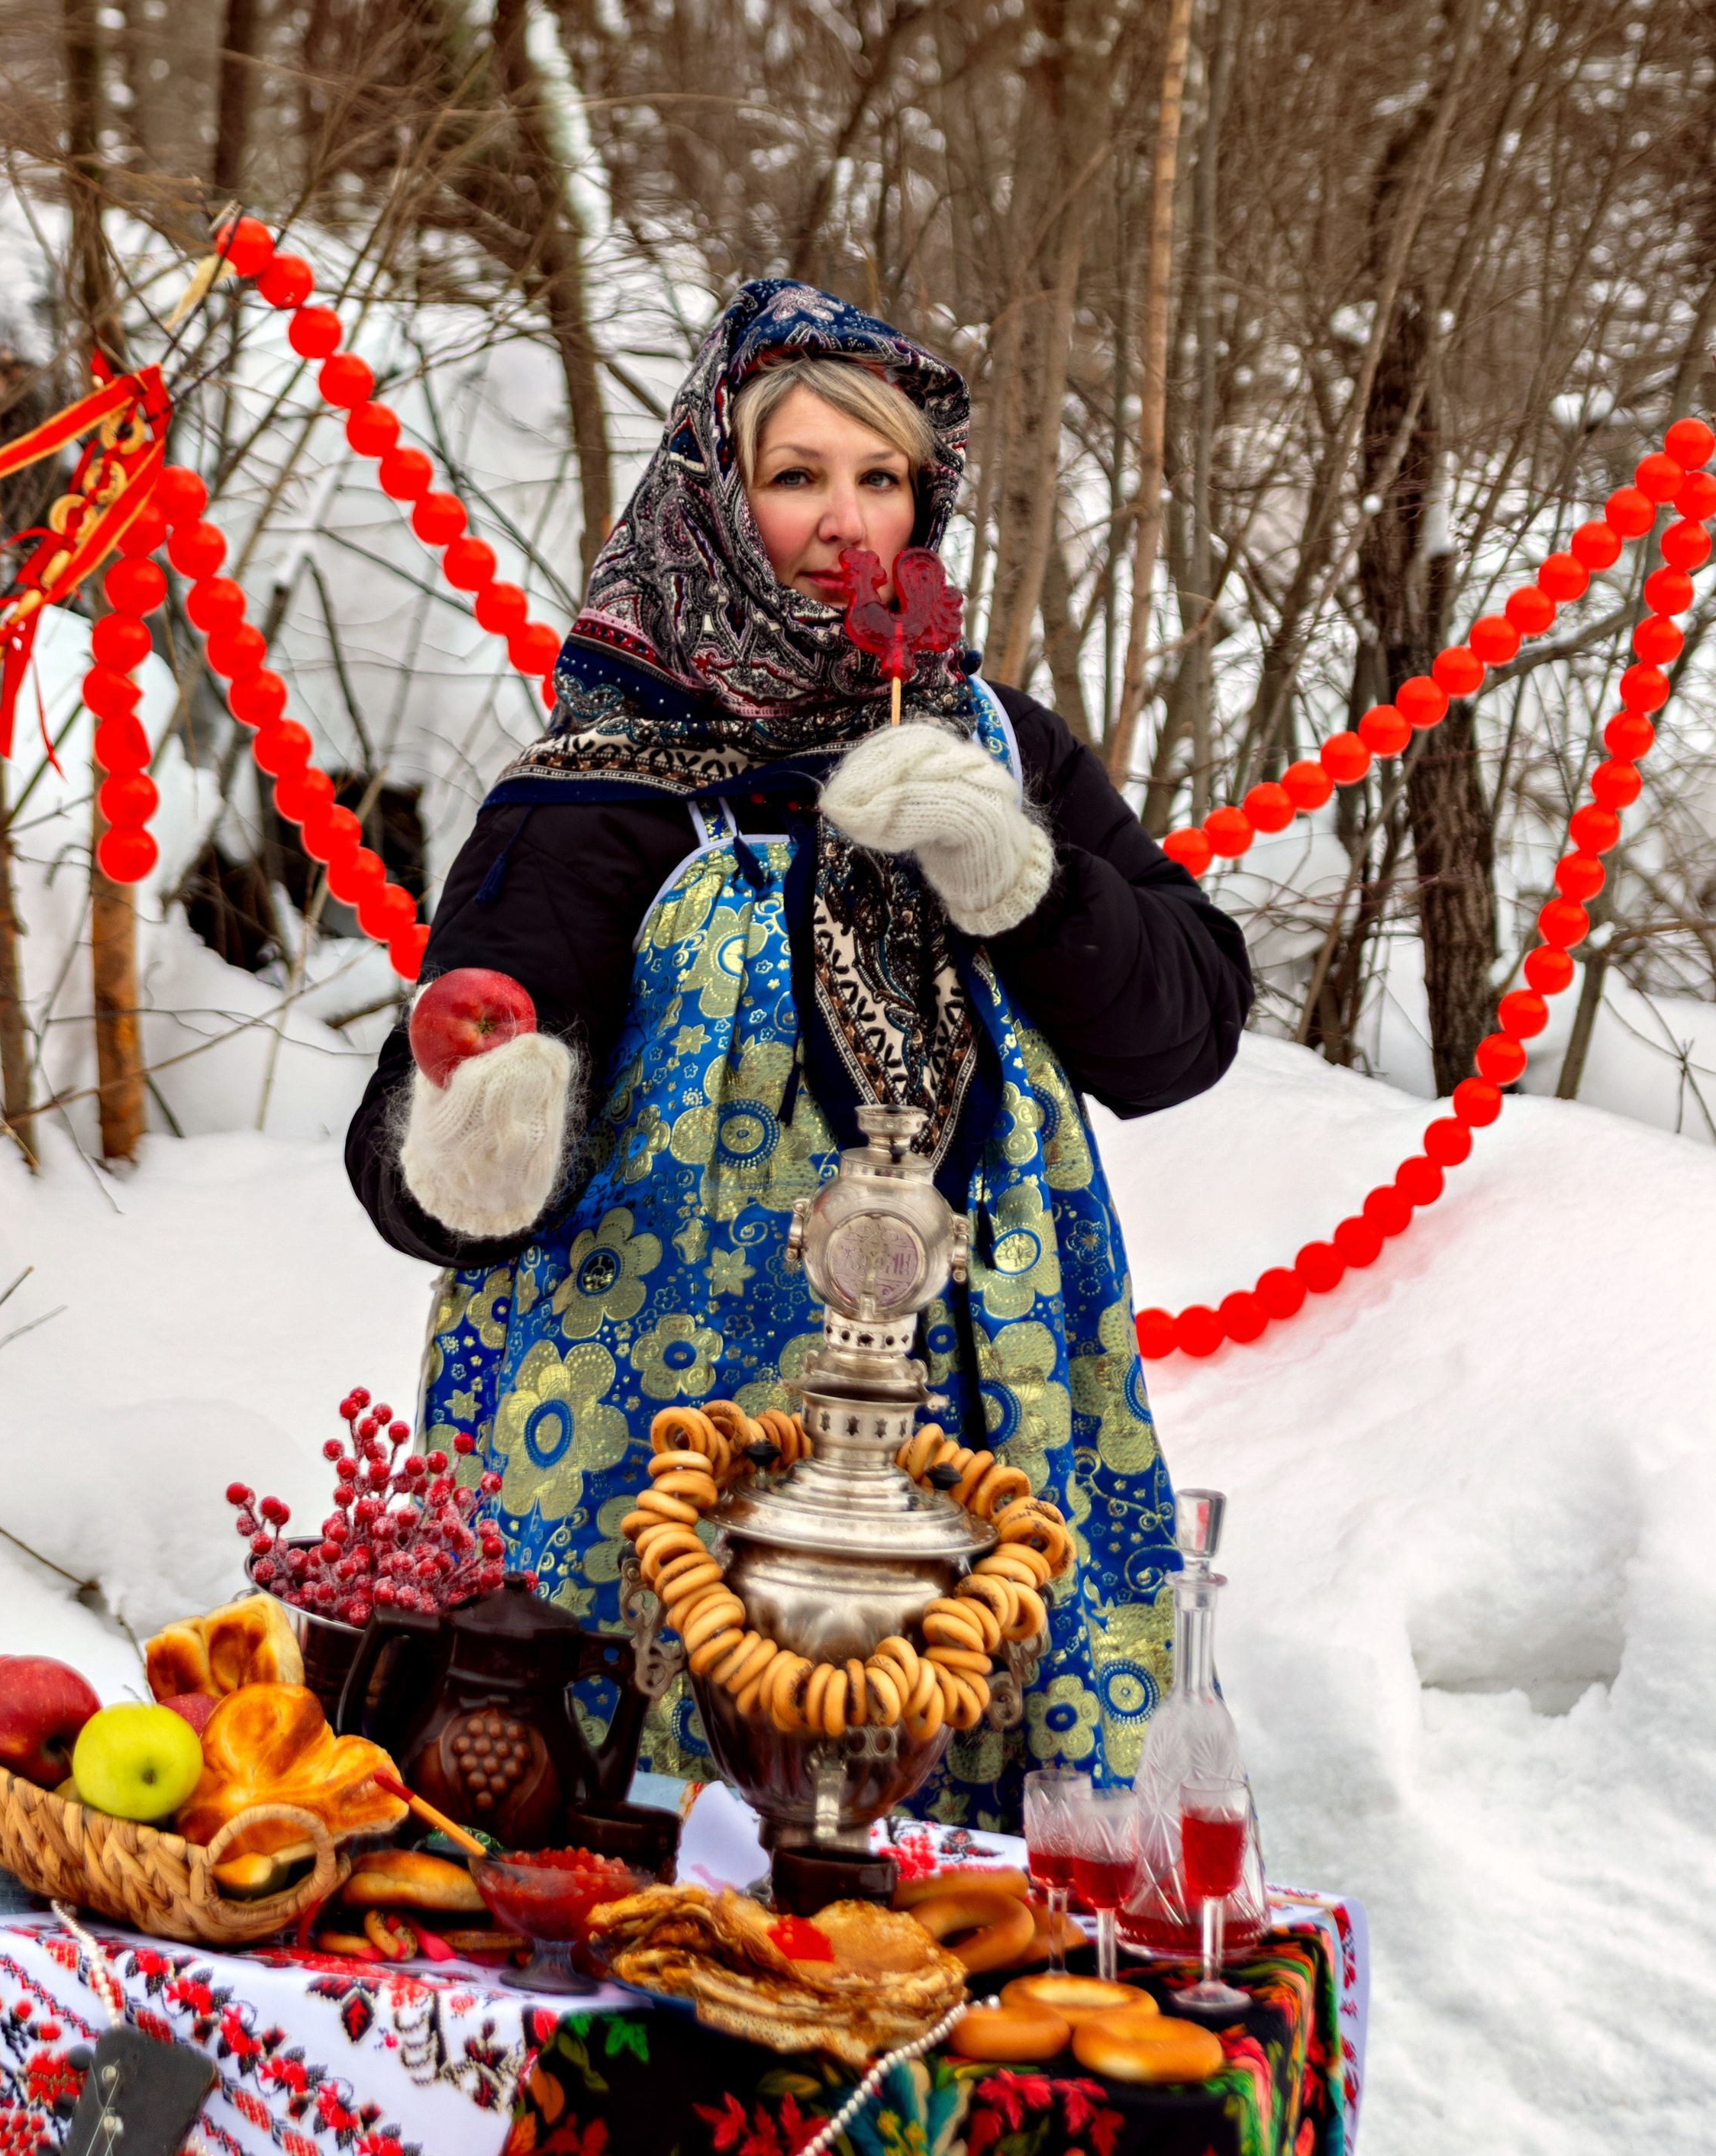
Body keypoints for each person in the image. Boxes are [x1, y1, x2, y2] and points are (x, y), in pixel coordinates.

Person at [345, 277, 1251, 1825]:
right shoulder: (594, 788)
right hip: (651, 1461)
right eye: (796, 478)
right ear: (714, 498)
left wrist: (1018, 881)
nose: (846, 525)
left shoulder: (1006, 746)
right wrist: (481, 1131)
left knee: (960, 1889)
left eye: (879, 479)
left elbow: (1181, 1034)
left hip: (973, 1418)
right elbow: (434, 1125)